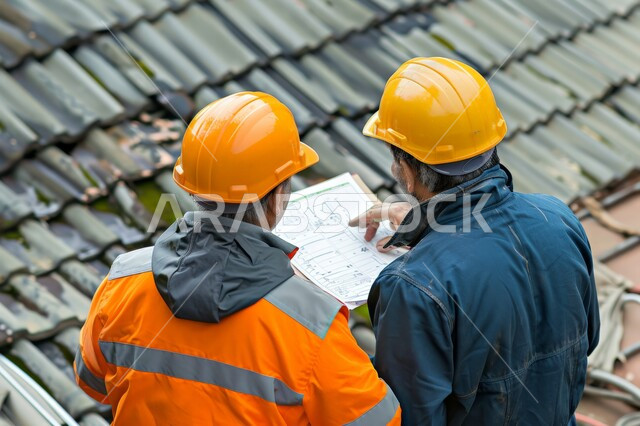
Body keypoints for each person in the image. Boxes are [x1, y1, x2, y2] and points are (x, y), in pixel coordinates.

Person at [75, 92, 401, 424]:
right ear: (278, 196)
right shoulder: (312, 323)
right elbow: (380, 420)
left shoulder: (122, 280)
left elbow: (92, 382)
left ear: (192, 190)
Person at [350, 57, 599, 425]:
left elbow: (413, 418)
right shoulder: (559, 218)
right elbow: (587, 338)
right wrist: (428, 230)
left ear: (404, 168)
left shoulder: (412, 287)